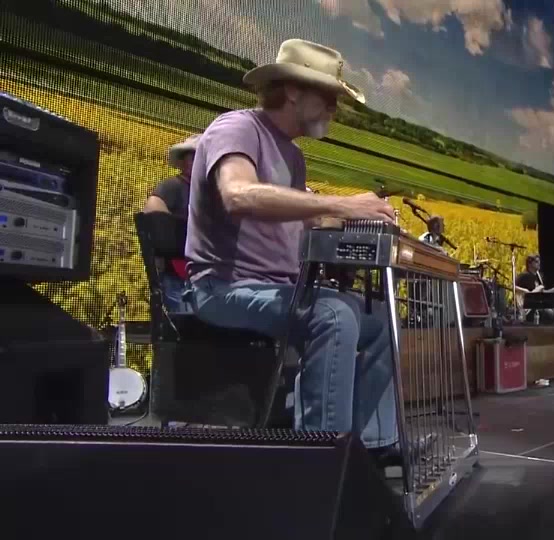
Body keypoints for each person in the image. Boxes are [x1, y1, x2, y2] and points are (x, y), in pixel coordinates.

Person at [183, 39, 401, 453]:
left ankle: (363, 447)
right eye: (328, 97)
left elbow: (304, 219)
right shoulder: (237, 128)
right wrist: (342, 204)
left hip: (278, 289)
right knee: (334, 315)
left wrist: (363, 222)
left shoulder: (293, 156)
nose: (334, 108)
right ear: (294, 91)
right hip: (223, 288)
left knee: (382, 320)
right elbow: (238, 195)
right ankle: (317, 457)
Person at [144, 135, 201, 313]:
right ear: (183, 162)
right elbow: (152, 213)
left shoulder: (208, 192)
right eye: (192, 157)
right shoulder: (172, 186)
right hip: (178, 272)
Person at [514, 254, 554, 325]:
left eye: (539, 261)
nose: (539, 263)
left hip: (538, 306)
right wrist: (526, 291)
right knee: (550, 313)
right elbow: (513, 287)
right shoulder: (524, 275)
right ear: (530, 264)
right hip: (528, 309)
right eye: (536, 262)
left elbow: (543, 293)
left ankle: (551, 330)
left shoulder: (538, 277)